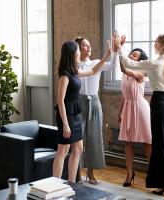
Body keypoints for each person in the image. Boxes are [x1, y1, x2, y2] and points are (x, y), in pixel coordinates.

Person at [118, 34, 164, 200]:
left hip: (160, 103)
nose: (154, 44)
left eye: (156, 42)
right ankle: (162, 185)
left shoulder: (153, 63)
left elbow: (127, 63)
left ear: (161, 46)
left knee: (160, 148)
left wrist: (119, 47)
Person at [53, 40, 111, 183]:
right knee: (63, 150)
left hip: (75, 114)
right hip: (67, 116)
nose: (80, 52)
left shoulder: (74, 71)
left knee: (78, 149)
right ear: (72, 53)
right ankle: (54, 185)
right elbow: (60, 100)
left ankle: (72, 184)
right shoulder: (65, 75)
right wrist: (65, 124)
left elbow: (92, 71)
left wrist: (106, 56)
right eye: (78, 50)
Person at [74, 36, 119, 184]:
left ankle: (91, 173)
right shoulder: (75, 66)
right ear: (79, 48)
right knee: (78, 140)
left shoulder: (95, 63)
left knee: (94, 138)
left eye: (89, 45)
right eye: (85, 46)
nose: (89, 47)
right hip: (79, 102)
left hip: (94, 102)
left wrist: (115, 50)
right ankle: (77, 174)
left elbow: (112, 65)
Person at [117, 47, 152, 187]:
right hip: (128, 107)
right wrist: (119, 112)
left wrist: (118, 49)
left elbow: (124, 69)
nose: (131, 55)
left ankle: (153, 174)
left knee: (147, 142)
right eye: (131, 53)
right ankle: (129, 174)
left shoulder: (141, 73)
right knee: (128, 142)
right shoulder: (125, 75)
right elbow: (123, 95)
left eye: (135, 55)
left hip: (141, 108)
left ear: (141, 60)